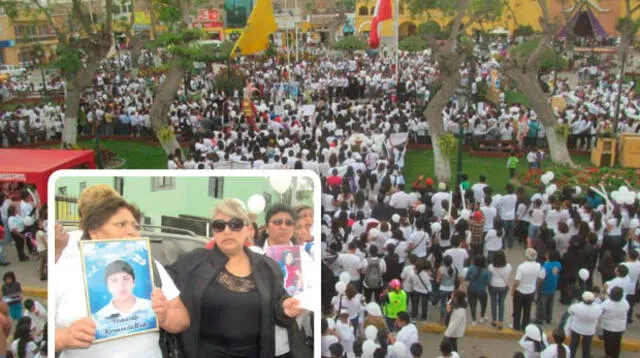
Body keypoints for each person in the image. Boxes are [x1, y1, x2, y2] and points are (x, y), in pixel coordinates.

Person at [54, 195, 190, 357]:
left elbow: (183, 320)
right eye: (121, 224)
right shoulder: (63, 270)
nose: (132, 231)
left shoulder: (150, 266)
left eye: (135, 226)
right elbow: (40, 335)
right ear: (94, 232)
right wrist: (64, 338)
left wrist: (164, 317)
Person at [167, 199, 303, 358]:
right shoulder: (193, 263)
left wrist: (285, 307)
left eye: (235, 224)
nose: (227, 231)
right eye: (219, 225)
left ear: (248, 229)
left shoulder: (268, 268)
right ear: (213, 231)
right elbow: (158, 280)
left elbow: (278, 305)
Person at [511, 248, 545, 331]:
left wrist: (513, 289)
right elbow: (540, 277)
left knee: (517, 310)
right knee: (527, 310)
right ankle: (525, 326)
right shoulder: (538, 266)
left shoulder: (522, 267)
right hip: (531, 291)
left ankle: (516, 326)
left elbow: (517, 280)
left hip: (520, 291)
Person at [568, 291, 602, 358]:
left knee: (573, 345)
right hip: (589, 330)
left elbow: (570, 311)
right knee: (587, 347)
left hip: (576, 328)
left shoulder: (576, 306)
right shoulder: (598, 308)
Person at [600, 287, 629, 358]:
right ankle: (615, 356)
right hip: (620, 327)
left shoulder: (607, 303)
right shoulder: (625, 302)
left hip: (608, 326)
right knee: (617, 342)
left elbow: (600, 311)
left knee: (608, 342)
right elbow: (627, 309)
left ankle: (608, 356)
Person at [536, 250, 562, 325]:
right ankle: (548, 318)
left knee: (541, 304)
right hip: (553, 287)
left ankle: (540, 319)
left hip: (544, 288)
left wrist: (537, 287)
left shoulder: (545, 267)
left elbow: (540, 279)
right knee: (550, 304)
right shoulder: (558, 264)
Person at [488, 250, 511, 330]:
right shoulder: (508, 266)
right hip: (503, 286)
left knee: (493, 303)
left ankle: (494, 320)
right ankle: (500, 322)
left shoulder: (491, 266)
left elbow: (489, 278)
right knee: (501, 303)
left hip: (493, 286)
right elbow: (508, 276)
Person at [465, 255, 490, 325]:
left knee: (472, 305)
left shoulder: (471, 268)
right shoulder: (485, 271)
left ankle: (474, 320)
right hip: (482, 290)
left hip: (471, 289)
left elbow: (466, 278)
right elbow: (488, 282)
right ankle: (482, 318)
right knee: (483, 304)